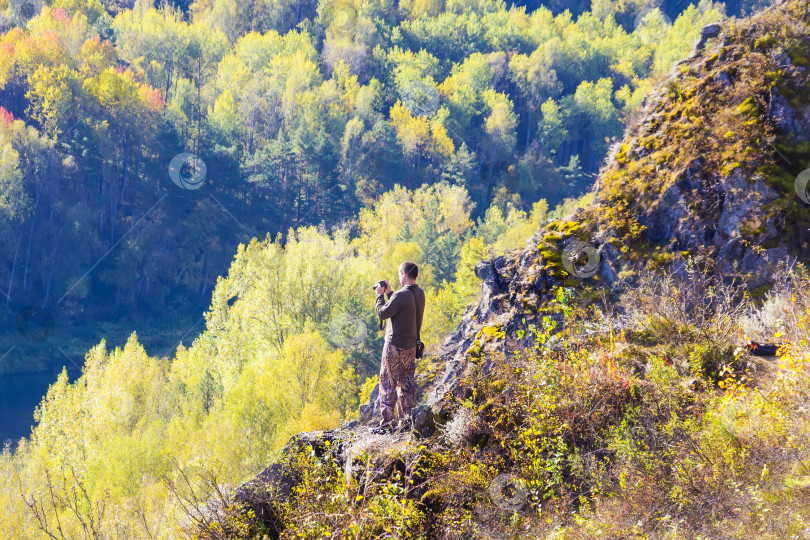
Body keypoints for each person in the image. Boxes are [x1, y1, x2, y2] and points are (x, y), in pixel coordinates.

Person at [371, 261, 425, 435]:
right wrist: (390, 293)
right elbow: (403, 307)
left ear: (403, 274)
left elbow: (383, 313)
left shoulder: (402, 295)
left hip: (394, 346)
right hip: (411, 347)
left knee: (387, 383)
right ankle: (406, 422)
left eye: (399, 273)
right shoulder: (419, 293)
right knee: (406, 385)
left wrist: (379, 295)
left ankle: (387, 424)